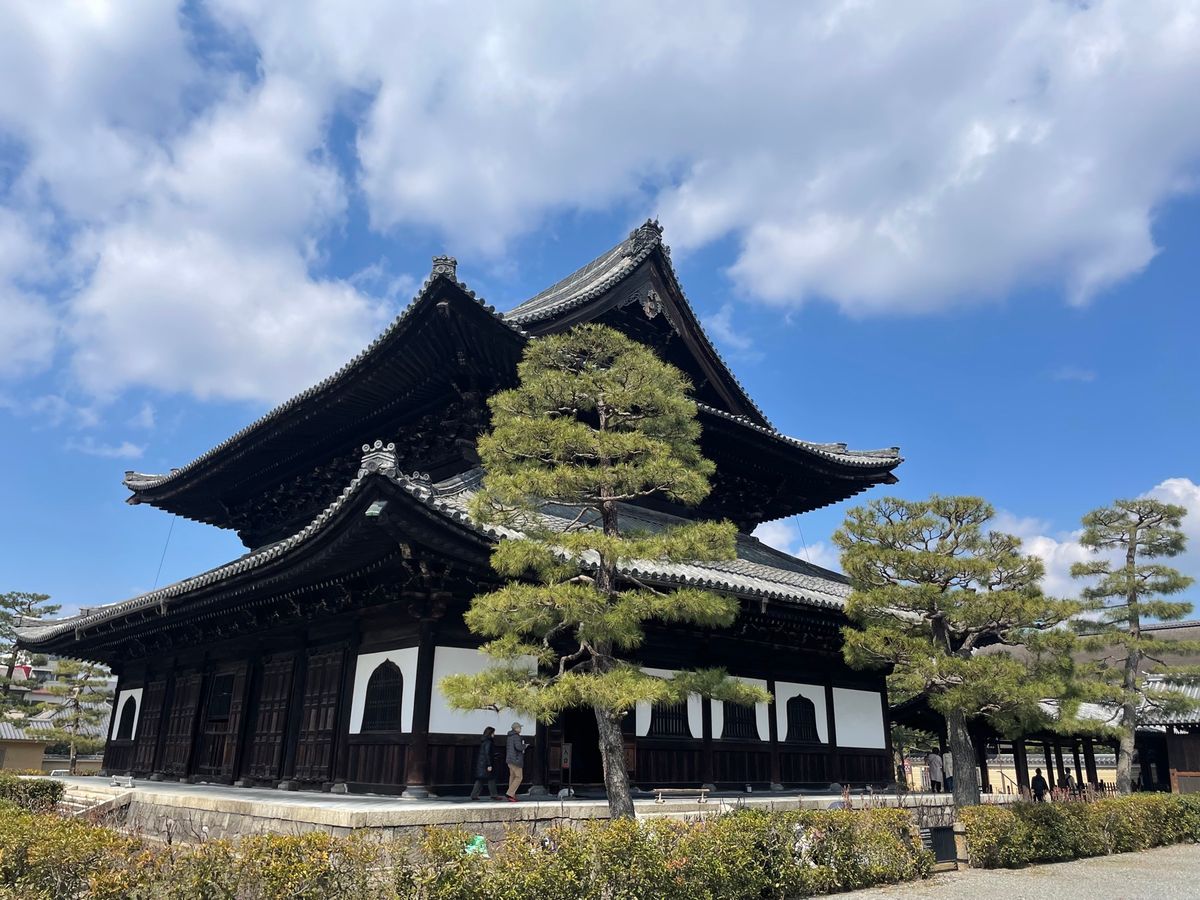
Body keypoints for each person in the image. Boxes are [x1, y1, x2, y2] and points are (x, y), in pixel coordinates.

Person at [469, 726, 500, 801]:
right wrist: (489, 764)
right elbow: (487, 753)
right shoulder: (488, 742)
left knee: (481, 779)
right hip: (486, 764)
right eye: (493, 733)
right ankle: (493, 795)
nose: (494, 734)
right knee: (491, 779)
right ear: (490, 733)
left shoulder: (484, 741)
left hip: (482, 763)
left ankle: (474, 795)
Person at [505, 722, 525, 802]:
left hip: (510, 760)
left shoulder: (509, 736)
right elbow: (518, 747)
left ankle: (512, 795)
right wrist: (524, 746)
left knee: (512, 777)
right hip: (516, 760)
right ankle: (509, 793)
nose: (520, 729)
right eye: (519, 727)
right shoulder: (516, 737)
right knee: (519, 777)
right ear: (516, 728)